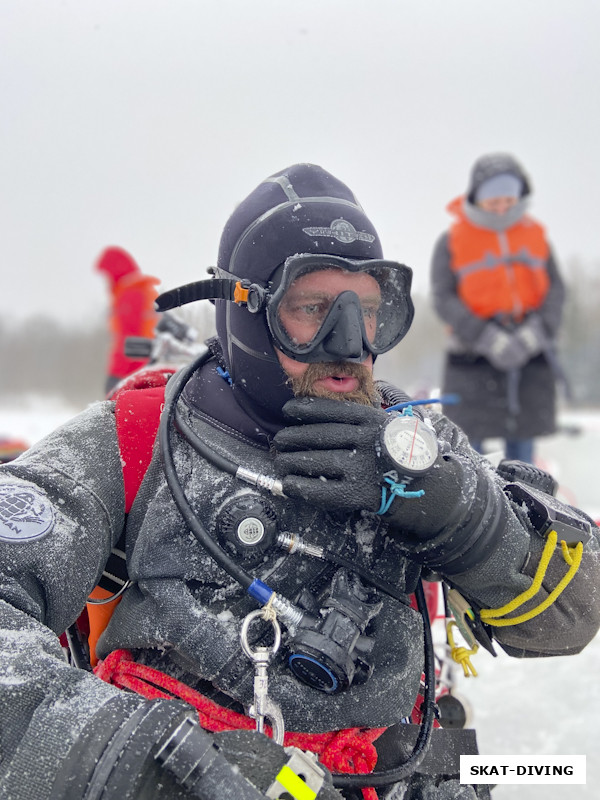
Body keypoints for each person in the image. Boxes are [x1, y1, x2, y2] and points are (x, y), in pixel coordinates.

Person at [0, 164, 598, 800]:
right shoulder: (139, 437)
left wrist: (470, 523)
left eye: (366, 312)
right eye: (313, 309)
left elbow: (577, 612)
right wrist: (147, 766)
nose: (350, 345)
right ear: (246, 312)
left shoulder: (417, 444)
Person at [430, 153, 567, 464]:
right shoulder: (451, 241)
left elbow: (556, 290)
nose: (503, 208)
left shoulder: (537, 237)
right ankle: (475, 506)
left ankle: (528, 502)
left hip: (528, 356)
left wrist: (536, 333)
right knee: (468, 447)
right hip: (471, 359)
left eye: (509, 199)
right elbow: (443, 297)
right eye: (494, 202)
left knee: (523, 449)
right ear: (477, 199)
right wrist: (485, 336)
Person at [96, 245, 161, 394]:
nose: (106, 281)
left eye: (107, 275)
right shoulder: (140, 290)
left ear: (115, 271)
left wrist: (116, 375)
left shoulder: (130, 294)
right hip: (147, 366)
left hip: (133, 371)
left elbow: (128, 339)